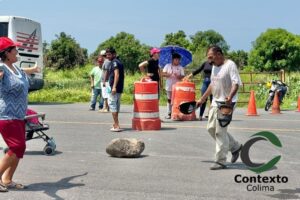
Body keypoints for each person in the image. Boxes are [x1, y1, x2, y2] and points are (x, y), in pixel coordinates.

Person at [0, 37, 40, 191]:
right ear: (7, 53)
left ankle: (7, 179)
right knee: (17, 146)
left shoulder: (16, 69)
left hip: (19, 115)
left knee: (19, 148)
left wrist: (34, 69)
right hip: (6, 115)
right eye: (14, 49)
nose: (17, 51)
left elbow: (24, 71)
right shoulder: (2, 69)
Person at [196, 45, 242, 170]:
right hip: (216, 102)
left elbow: (236, 83)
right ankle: (235, 146)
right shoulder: (214, 67)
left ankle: (221, 160)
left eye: (211, 57)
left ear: (219, 54)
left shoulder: (230, 65)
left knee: (220, 131)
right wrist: (202, 99)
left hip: (227, 103)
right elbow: (212, 84)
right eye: (208, 57)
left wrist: (230, 96)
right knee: (211, 128)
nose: (209, 60)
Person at [104, 47, 124, 132]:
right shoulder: (118, 62)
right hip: (118, 88)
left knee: (112, 105)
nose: (108, 56)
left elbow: (117, 74)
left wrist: (114, 86)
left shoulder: (115, 62)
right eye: (107, 55)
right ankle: (115, 123)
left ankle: (117, 125)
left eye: (109, 54)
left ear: (114, 54)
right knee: (115, 106)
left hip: (115, 88)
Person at [162, 53, 185, 119]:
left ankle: (176, 113)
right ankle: (169, 113)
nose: (177, 61)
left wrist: (178, 76)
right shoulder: (167, 66)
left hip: (177, 87)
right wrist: (168, 75)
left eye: (178, 60)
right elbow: (163, 74)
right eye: (176, 59)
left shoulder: (180, 67)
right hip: (169, 85)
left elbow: (183, 76)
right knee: (169, 99)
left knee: (176, 100)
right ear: (173, 59)